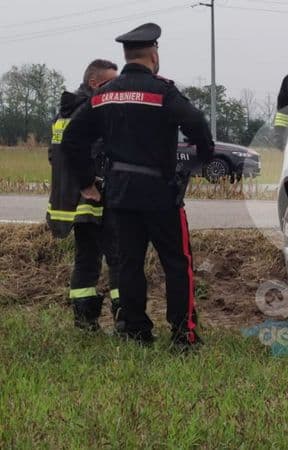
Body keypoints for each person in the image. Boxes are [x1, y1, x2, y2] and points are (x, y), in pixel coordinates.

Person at [61, 23, 214, 349]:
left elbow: (72, 138)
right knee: (176, 263)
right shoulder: (164, 91)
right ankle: (182, 336)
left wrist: (87, 181)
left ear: (127, 55)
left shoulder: (104, 94)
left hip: (119, 194)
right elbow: (198, 126)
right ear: (154, 54)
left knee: (129, 263)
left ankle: (135, 331)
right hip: (160, 194)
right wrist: (200, 161)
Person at [47, 59, 119, 331]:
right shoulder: (92, 112)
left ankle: (84, 321)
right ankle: (125, 320)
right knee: (118, 258)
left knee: (86, 260)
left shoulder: (62, 113)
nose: (115, 88)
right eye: (110, 82)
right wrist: (92, 183)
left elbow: (54, 156)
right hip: (97, 200)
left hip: (73, 204)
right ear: (94, 83)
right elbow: (99, 156)